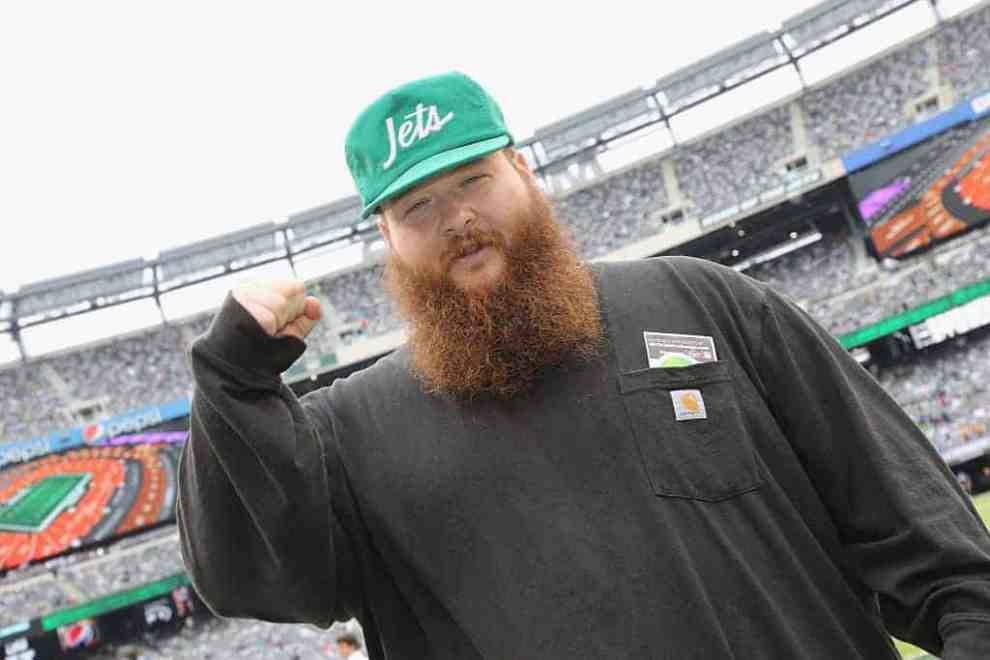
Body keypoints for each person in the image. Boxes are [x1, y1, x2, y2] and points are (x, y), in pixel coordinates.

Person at [176, 71, 990, 659]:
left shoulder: (705, 304)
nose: (457, 217)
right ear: (385, 238)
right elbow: (247, 573)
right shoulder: (347, 437)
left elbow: (941, 556)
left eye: (474, 178)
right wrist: (233, 382)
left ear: (524, 174)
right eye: (417, 206)